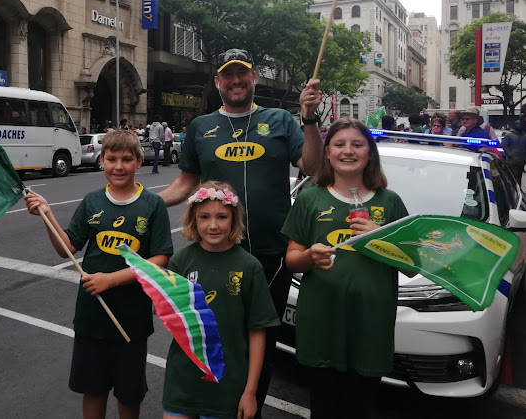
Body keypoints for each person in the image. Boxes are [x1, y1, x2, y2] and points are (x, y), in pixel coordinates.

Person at [159, 48, 323, 416]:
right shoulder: (200, 127)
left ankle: (250, 407)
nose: (236, 80)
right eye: (228, 75)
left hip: (271, 257)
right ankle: (211, 405)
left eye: (242, 74)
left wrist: (309, 120)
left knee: (261, 342)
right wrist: (145, 202)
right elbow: (185, 184)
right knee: (214, 337)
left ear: (253, 79)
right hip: (215, 254)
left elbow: (312, 166)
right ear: (218, 82)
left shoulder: (280, 120)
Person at [25, 130, 173, 419]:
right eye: (112, 159)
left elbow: (159, 259)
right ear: (101, 162)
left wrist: (112, 279)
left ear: (139, 162)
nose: (119, 166)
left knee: (129, 394)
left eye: (127, 159)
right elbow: (66, 248)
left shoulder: (153, 204)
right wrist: (47, 214)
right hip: (92, 317)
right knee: (92, 389)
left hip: (132, 319)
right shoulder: (92, 201)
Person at [283, 118, 409, 419]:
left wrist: (383, 237)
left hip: (370, 325)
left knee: (360, 406)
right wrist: (310, 257)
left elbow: (412, 265)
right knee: (324, 405)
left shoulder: (390, 203)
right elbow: (291, 259)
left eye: (357, 144)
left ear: (370, 153)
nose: (348, 151)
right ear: (327, 153)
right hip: (322, 322)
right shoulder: (310, 199)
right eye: (339, 144)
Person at [163, 181, 279, 419]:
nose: (213, 225)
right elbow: (173, 319)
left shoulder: (249, 266)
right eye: (204, 217)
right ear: (194, 219)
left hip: (228, 386)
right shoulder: (180, 262)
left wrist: (250, 392)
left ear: (234, 219)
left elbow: (258, 332)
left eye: (222, 217)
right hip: (182, 380)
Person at [501, 104, 526, 184]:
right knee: (513, 175)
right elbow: (504, 145)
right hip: (514, 158)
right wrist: (510, 154)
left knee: (519, 174)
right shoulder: (510, 134)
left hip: (523, 154)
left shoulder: (525, 136)